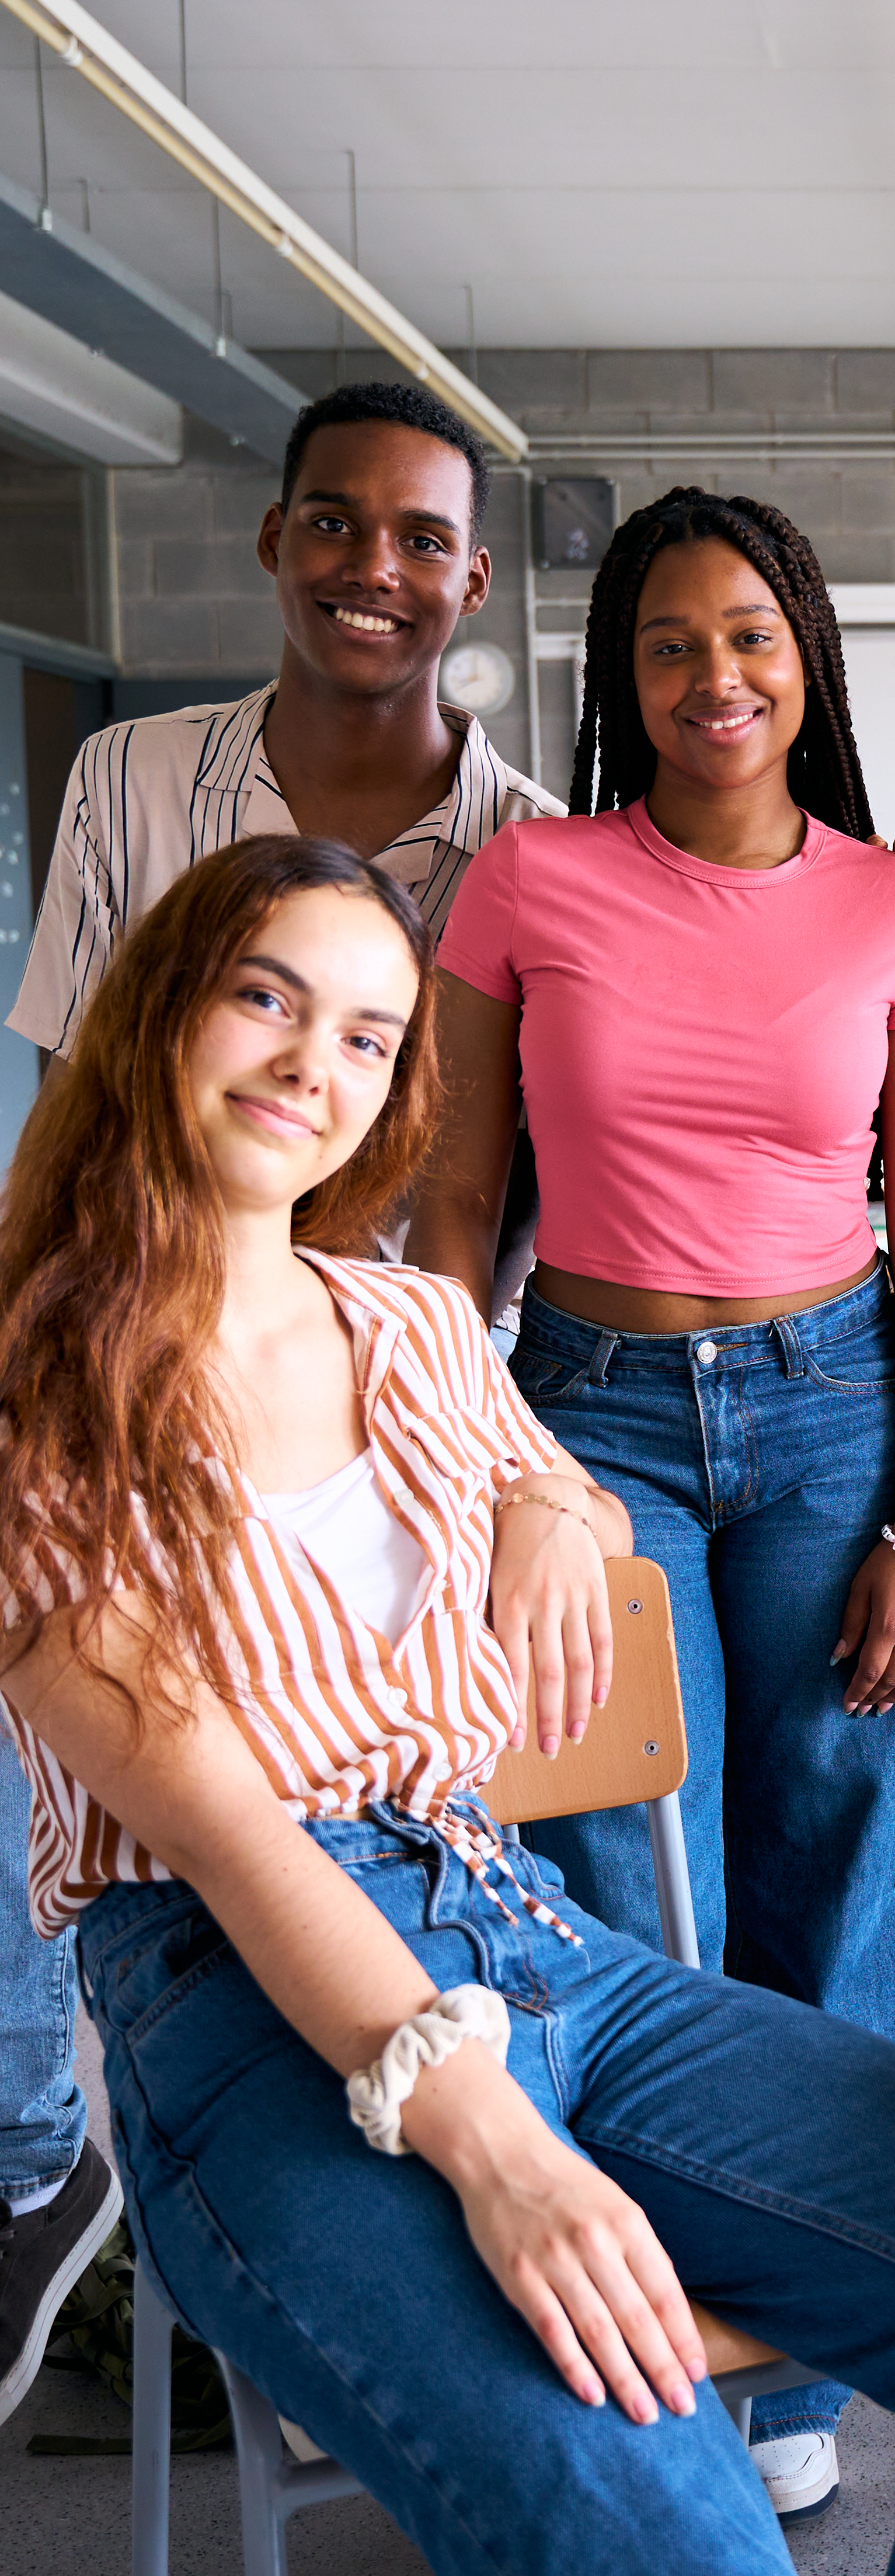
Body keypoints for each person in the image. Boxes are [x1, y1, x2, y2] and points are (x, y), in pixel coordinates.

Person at [0, 833, 895, 2576]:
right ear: (159, 1009)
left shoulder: (409, 1325)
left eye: (370, 1036)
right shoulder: (38, 1396)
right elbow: (231, 1836)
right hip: (253, 2012)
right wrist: (498, 2152)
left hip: (528, 1927)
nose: (314, 1066)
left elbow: (571, 1483)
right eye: (269, 998)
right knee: (684, 2536)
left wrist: (557, 1506)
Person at [406, 485, 895, 2511]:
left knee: (827, 1867)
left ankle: (809, 2363)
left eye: (747, 633)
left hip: (834, 1411)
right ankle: (632, 2319)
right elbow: (462, 1206)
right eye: (667, 642)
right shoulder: (528, 883)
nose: (712, 674)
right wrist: (452, 1453)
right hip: (585, 1421)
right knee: (625, 1890)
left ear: (805, 654)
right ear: (618, 678)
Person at [0, 377, 561, 2428]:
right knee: (122, 1781)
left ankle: (352, 2222)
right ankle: (95, 2194)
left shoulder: (526, 835)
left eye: (420, 541)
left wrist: (507, 1460)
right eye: (338, 526)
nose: (373, 571)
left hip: (406, 1379)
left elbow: (509, 1167)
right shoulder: (139, 779)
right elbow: (74, 1086)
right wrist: (53, 1348)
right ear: (275, 541)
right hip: (139, 1353)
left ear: (472, 586)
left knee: (388, 1789)